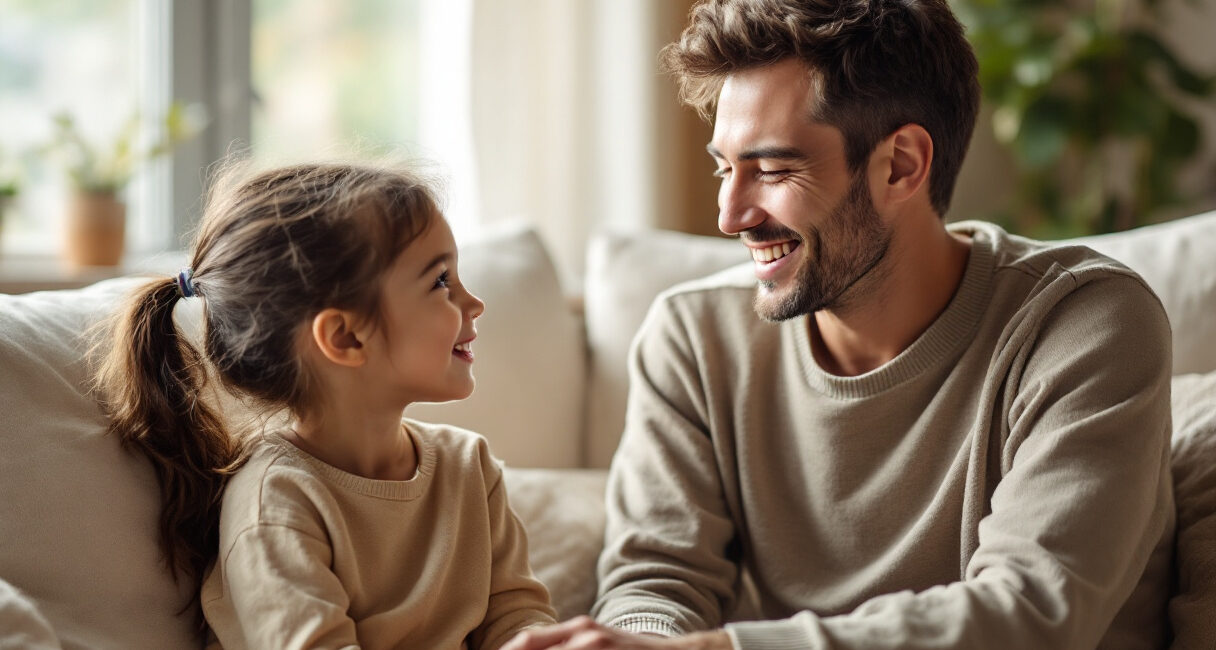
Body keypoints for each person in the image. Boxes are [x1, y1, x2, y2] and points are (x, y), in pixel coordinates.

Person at [504, 0, 1173, 648]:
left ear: (901, 165)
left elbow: (1030, 613)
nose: (730, 216)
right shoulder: (693, 338)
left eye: (771, 169)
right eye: (723, 168)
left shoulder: (1084, 324)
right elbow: (656, 584)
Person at [95, 162, 556, 649]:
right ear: (345, 336)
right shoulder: (275, 502)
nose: (474, 302)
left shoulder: (469, 469)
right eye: (441, 281)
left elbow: (517, 611)